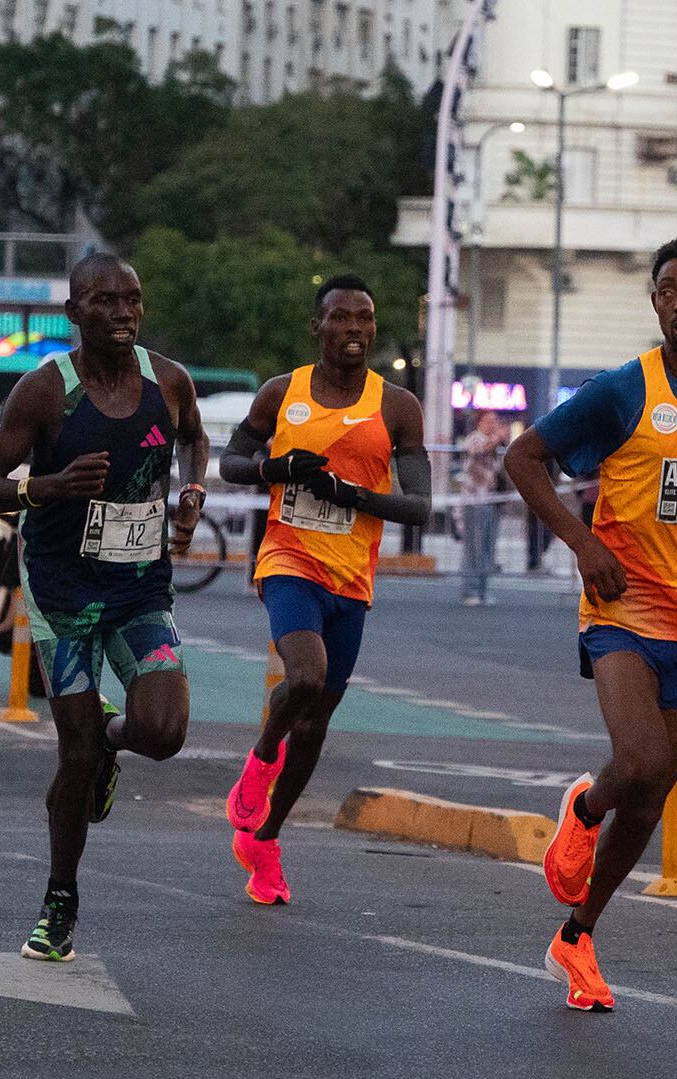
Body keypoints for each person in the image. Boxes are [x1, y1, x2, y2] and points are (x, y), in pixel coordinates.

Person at [504, 235, 677, 1027]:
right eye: (667, 290)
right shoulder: (626, 388)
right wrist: (584, 544)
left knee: (653, 791)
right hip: (623, 604)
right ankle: (587, 810)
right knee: (641, 760)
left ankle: (577, 936)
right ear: (655, 302)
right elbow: (526, 458)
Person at [0, 253, 207, 962]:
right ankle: (60, 897)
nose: (125, 312)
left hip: (140, 586)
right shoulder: (45, 393)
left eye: (133, 299)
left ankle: (114, 738)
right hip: (64, 592)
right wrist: (49, 485)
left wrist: (191, 495)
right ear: (74, 313)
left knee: (163, 730)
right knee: (72, 757)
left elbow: (194, 439)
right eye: (106, 301)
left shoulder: (169, 381)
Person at [218, 274, 431, 904]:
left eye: (365, 319)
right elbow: (233, 461)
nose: (356, 330)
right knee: (304, 679)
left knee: (314, 723)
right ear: (319, 326)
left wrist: (354, 496)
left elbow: (419, 506)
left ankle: (267, 841)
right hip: (288, 559)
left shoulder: (396, 406)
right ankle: (258, 764)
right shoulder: (282, 392)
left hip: (353, 576)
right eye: (342, 318)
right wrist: (272, 468)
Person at [457, 410, 509, 605]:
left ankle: (483, 589)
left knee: (488, 546)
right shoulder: (474, 438)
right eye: (488, 420)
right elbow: (478, 451)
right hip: (474, 499)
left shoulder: (498, 445)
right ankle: (470, 589)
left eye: (495, 421)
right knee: (474, 546)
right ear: (479, 422)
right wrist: (496, 438)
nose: (492, 424)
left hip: (493, 499)